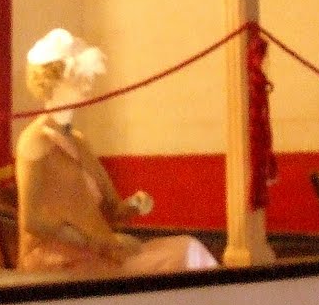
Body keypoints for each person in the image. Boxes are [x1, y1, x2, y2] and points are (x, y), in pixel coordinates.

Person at [15, 28, 218, 274]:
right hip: (59, 262)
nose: (88, 84)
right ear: (53, 81)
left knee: (189, 248)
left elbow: (111, 210)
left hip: (101, 252)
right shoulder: (34, 141)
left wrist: (134, 204)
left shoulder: (79, 142)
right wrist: (99, 242)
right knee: (179, 262)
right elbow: (32, 222)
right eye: (79, 77)